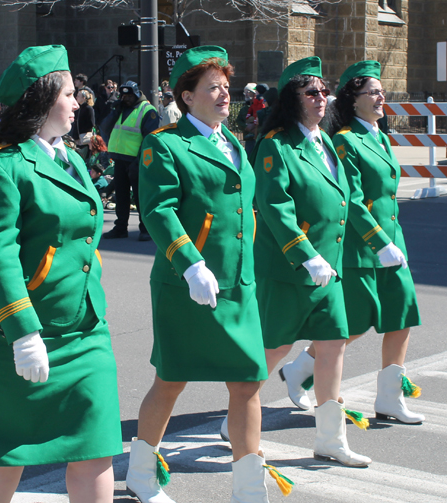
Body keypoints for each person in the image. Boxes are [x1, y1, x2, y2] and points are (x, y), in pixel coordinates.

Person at [0, 45, 123, 503]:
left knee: (97, 445)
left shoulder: (72, 159)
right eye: (70, 93)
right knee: (4, 452)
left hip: (82, 331)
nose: (78, 101)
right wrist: (23, 332)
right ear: (44, 99)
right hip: (4, 335)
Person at [126, 45, 292, 503]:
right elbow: (157, 210)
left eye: (226, 86)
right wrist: (190, 263)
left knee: (246, 381)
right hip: (187, 285)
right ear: (187, 96)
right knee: (172, 378)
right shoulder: (165, 143)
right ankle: (142, 472)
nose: (225, 95)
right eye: (213, 88)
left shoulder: (232, 140)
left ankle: (247, 486)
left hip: (238, 284)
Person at [225, 56, 371, 468]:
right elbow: (275, 205)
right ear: (293, 98)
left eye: (324, 91)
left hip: (330, 269)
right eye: (312, 92)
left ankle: (330, 438)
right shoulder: (276, 145)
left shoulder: (325, 141)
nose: (321, 98)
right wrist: (305, 256)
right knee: (274, 348)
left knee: (332, 347)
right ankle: (237, 418)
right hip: (291, 270)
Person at [280, 61, 423, 424]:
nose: (381, 97)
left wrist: (393, 244)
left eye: (380, 91)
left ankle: (390, 397)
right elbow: (353, 199)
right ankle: (302, 368)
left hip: (393, 242)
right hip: (362, 248)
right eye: (372, 92)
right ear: (353, 99)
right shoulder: (345, 139)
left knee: (401, 316)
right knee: (354, 324)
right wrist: (378, 243)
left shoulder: (381, 136)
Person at [101, 80, 159, 241]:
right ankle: (120, 227)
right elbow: (105, 128)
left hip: (137, 160)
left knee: (141, 197)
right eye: (123, 95)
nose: (126, 98)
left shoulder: (147, 110)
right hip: (120, 159)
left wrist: (139, 161)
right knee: (121, 196)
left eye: (129, 95)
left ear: (137, 94)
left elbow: (150, 140)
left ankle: (145, 229)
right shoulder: (121, 109)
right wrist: (114, 111)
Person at [236, 83, 257, 156]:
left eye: (248, 92)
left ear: (254, 93)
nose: (245, 94)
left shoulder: (261, 106)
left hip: (259, 138)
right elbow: (238, 121)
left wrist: (255, 127)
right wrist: (246, 127)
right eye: (244, 92)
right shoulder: (244, 109)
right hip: (249, 140)